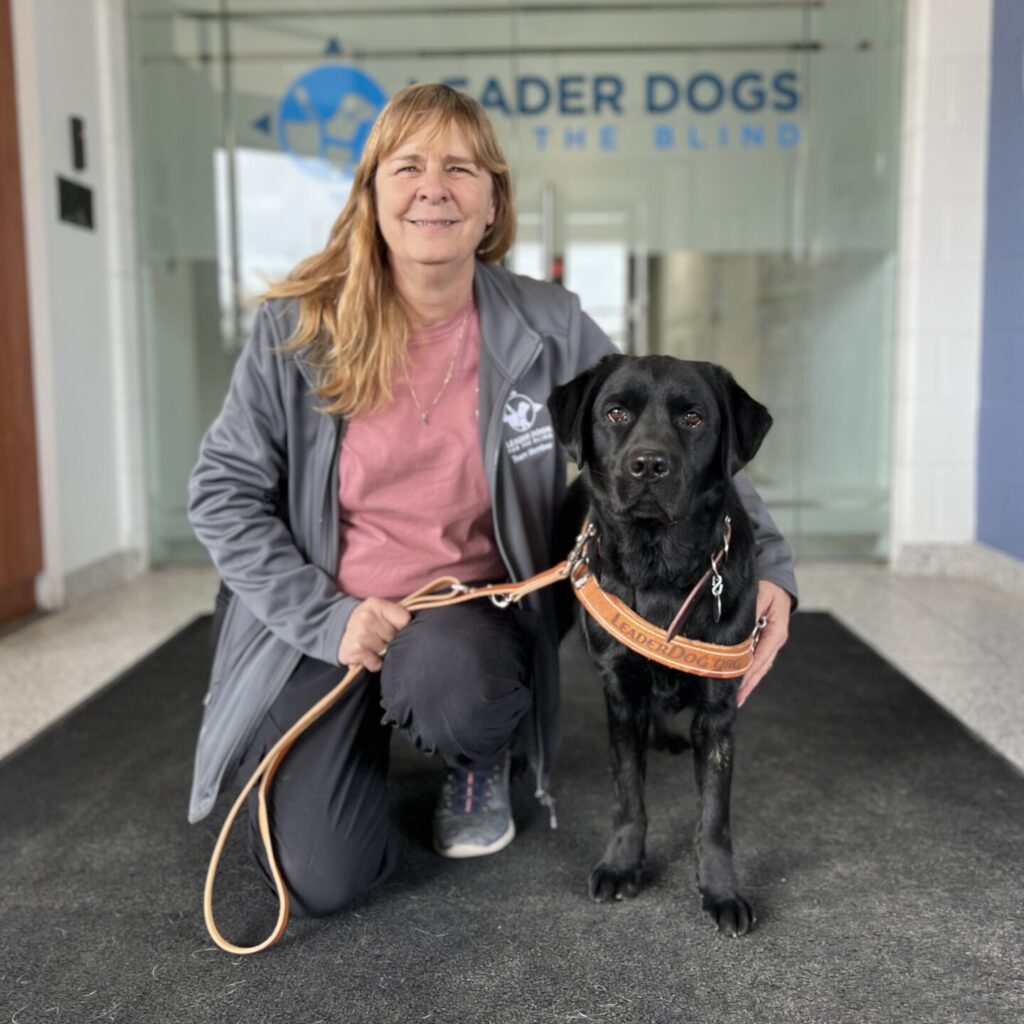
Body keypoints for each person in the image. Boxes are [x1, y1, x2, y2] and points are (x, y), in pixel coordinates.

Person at [187, 82, 798, 918]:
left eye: (459, 168)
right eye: (406, 166)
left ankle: (475, 757)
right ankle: (315, 748)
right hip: (322, 613)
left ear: (492, 203)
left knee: (461, 696)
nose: (432, 186)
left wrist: (775, 567)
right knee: (324, 878)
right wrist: (327, 619)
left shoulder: (549, 324)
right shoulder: (298, 327)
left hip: (463, 616)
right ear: (371, 193)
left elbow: (679, 435)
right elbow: (221, 492)